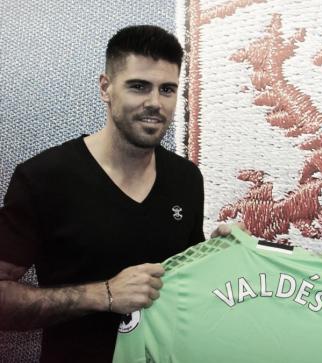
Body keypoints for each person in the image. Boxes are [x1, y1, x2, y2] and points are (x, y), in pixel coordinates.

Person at [0, 25, 204, 362]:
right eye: (139, 87)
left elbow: (188, 279)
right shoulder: (43, 178)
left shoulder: (187, 178)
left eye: (167, 89)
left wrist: (221, 252)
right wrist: (103, 295)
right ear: (105, 88)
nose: (155, 103)